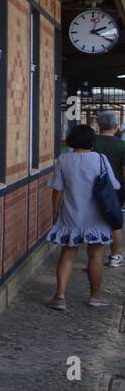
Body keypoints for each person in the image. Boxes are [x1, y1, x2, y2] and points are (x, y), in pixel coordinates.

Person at [46, 123, 120, 310]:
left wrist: (55, 212)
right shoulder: (100, 159)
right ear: (91, 141)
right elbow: (114, 186)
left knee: (67, 254)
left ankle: (59, 296)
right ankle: (94, 296)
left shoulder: (63, 159)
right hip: (96, 216)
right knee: (95, 255)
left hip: (71, 214)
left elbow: (57, 190)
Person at [92, 110, 125, 267]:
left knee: (94, 220)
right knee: (115, 223)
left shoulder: (91, 142)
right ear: (115, 126)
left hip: (92, 188)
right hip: (115, 190)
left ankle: (94, 258)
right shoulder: (122, 145)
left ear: (99, 124)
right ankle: (114, 256)